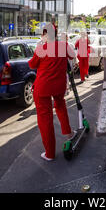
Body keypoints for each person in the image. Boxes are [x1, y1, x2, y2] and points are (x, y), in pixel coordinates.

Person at [28, 23, 76, 161]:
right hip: (59, 86)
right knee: (61, 106)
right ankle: (68, 133)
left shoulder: (41, 49)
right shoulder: (64, 46)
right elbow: (72, 56)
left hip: (42, 87)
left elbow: (32, 64)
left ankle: (49, 153)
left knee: (45, 119)